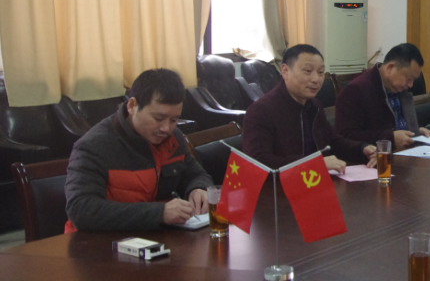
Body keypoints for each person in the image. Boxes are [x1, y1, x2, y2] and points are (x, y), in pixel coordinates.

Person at [65, 68, 212, 231]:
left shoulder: (173, 138)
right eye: (159, 118)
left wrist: (198, 188)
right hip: (98, 241)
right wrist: (158, 213)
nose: (166, 128)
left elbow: (195, 174)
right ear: (132, 106)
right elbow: (81, 210)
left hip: (154, 236)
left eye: (174, 120)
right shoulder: (93, 146)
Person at [243, 44, 375, 171]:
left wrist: (361, 149)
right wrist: (314, 164)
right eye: (308, 71)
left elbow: (333, 142)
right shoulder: (261, 111)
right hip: (281, 185)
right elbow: (259, 162)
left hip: (315, 181)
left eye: (321, 72)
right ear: (285, 71)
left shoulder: (314, 105)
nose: (316, 79)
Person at [334, 42, 430, 151]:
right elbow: (345, 137)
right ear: (390, 68)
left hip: (406, 152)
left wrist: (416, 130)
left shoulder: (399, 89)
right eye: (409, 78)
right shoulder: (356, 91)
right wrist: (390, 138)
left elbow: (399, 123)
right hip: (376, 157)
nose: (411, 85)